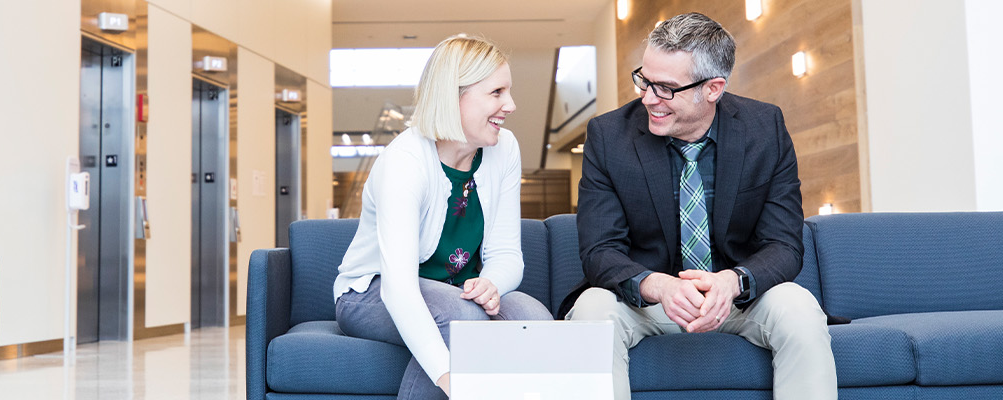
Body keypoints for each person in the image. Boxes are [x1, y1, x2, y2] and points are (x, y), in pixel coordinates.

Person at [559, 13, 837, 399]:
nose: (648, 98)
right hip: (646, 301)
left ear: (713, 89)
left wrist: (733, 282)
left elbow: (784, 245)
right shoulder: (608, 136)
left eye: (665, 88)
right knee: (592, 310)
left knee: (799, 308)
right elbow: (599, 250)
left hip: (739, 300)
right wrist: (658, 286)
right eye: (645, 79)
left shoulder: (765, 128)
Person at [331, 34, 551, 399]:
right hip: (372, 292)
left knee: (535, 319)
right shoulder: (405, 162)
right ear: (455, 96)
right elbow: (399, 290)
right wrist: (449, 378)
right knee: (461, 320)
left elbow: (508, 255)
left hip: (457, 294)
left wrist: (491, 283)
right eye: (496, 93)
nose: (510, 104)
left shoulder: (504, 149)